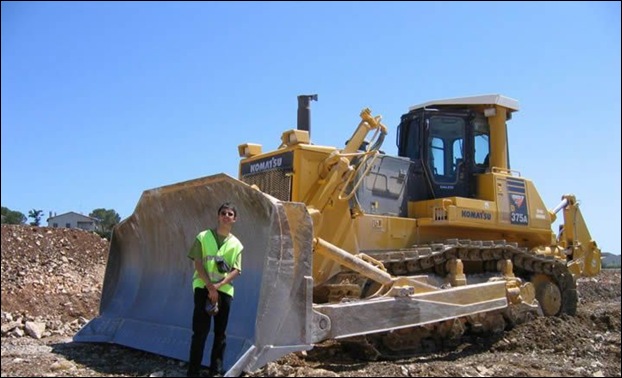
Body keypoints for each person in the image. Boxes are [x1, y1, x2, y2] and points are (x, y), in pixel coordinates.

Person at [186, 202, 243, 377]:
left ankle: (215, 372)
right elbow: (197, 262)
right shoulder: (203, 237)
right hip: (203, 288)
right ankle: (193, 372)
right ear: (218, 216)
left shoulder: (236, 244)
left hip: (224, 291)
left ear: (235, 219)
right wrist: (210, 287)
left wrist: (218, 286)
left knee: (220, 334)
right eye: (223, 213)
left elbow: (237, 269)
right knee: (200, 332)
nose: (227, 216)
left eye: (230, 214)